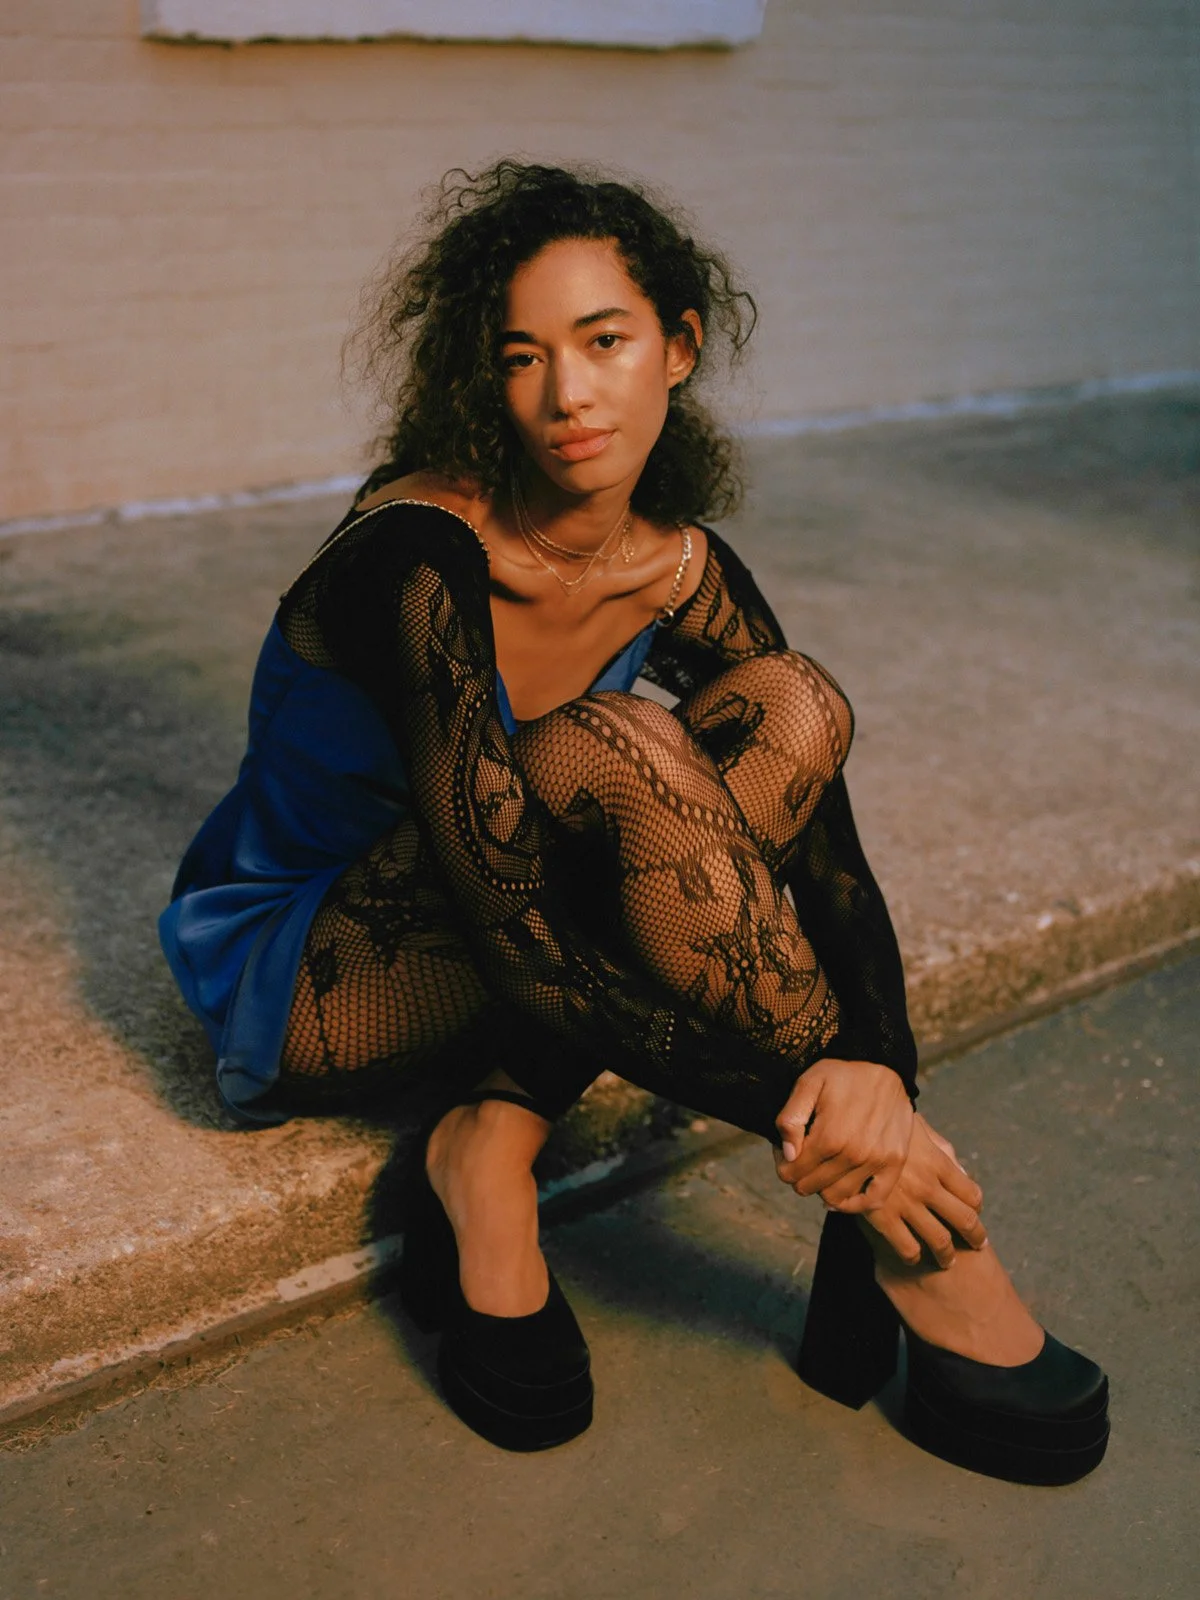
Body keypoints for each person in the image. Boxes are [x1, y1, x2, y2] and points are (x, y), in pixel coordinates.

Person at [160, 161, 1108, 1479]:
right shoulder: (413, 560)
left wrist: (884, 1076)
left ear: (679, 346)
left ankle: (488, 1137)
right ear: (482, 379)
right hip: (316, 970)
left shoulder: (679, 566)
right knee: (618, 751)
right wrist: (844, 1139)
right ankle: (919, 1244)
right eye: (522, 356)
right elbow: (517, 931)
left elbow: (826, 862)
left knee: (791, 705)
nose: (568, 394)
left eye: (604, 341)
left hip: (513, 939)